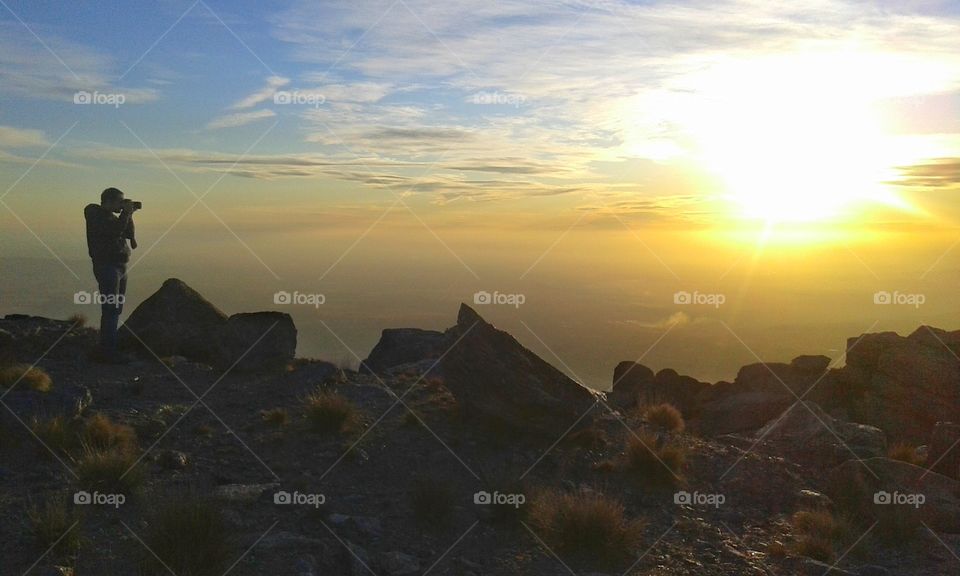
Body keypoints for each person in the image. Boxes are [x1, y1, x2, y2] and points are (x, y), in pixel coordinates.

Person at [84, 187, 138, 363]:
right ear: (108, 201)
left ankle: (108, 348)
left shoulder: (113, 218)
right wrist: (125, 214)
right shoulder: (95, 214)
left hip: (120, 267)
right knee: (111, 308)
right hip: (107, 267)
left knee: (116, 308)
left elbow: (128, 233)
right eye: (119, 201)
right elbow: (113, 231)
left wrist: (129, 215)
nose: (121, 205)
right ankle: (107, 352)